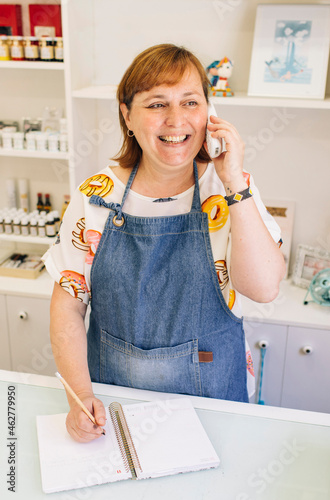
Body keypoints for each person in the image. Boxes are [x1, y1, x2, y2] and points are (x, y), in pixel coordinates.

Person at [43, 44, 285, 443]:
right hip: (114, 404)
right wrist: (80, 396)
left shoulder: (229, 189)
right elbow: (67, 306)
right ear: (127, 115)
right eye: (157, 104)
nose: (176, 120)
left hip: (213, 405)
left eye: (190, 102)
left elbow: (263, 288)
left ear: (210, 112)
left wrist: (235, 181)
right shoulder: (94, 196)